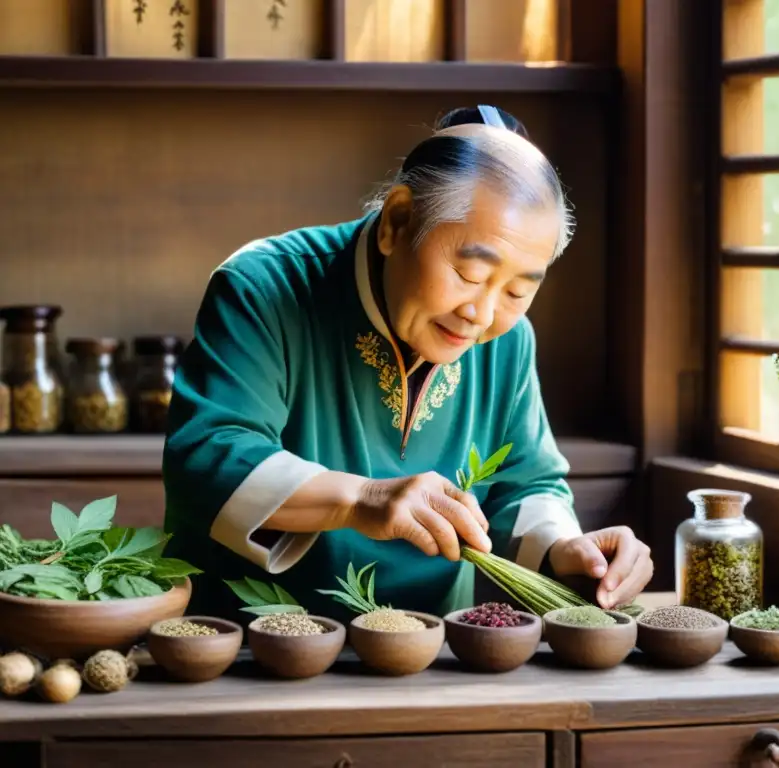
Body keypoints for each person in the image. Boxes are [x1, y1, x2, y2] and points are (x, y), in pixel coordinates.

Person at [161, 105, 654, 620]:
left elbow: (527, 482)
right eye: (468, 273)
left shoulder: (507, 340)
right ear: (397, 221)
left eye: (515, 290)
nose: (481, 314)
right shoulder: (266, 287)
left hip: (427, 647)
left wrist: (563, 548)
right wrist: (360, 499)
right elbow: (209, 456)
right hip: (253, 648)